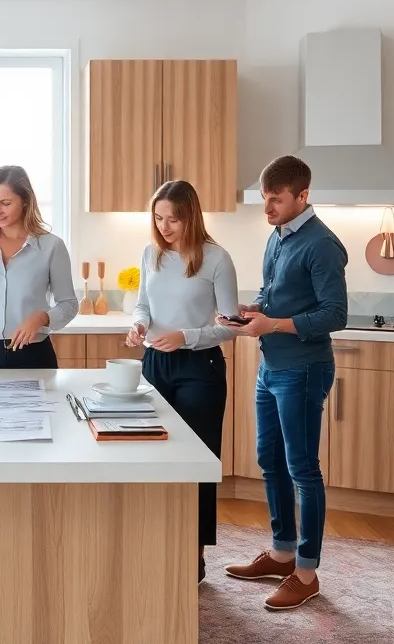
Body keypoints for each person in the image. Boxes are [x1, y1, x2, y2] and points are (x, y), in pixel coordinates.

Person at [221, 155, 347, 611]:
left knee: (302, 469)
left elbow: (335, 314)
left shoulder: (322, 244)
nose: (267, 208)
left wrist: (272, 325)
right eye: (264, 198)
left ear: (302, 196)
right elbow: (278, 297)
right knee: (269, 460)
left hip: (304, 368)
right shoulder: (278, 236)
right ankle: (280, 554)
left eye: (276, 199)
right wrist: (254, 311)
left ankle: (307, 572)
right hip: (271, 366)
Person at [124, 179, 239, 584]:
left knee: (196, 464)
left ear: (191, 215)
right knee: (151, 458)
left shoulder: (216, 258)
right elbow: (143, 303)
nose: (165, 226)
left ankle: (194, 556)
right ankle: (156, 544)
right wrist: (138, 324)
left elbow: (230, 327)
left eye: (173, 218)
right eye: (158, 217)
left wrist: (185, 337)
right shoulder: (150, 254)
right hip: (154, 363)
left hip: (199, 368)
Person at [0, 165, 78, 368]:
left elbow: (69, 304)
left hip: (32, 354)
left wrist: (42, 318)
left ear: (24, 201)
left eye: (6, 203)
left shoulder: (51, 246)